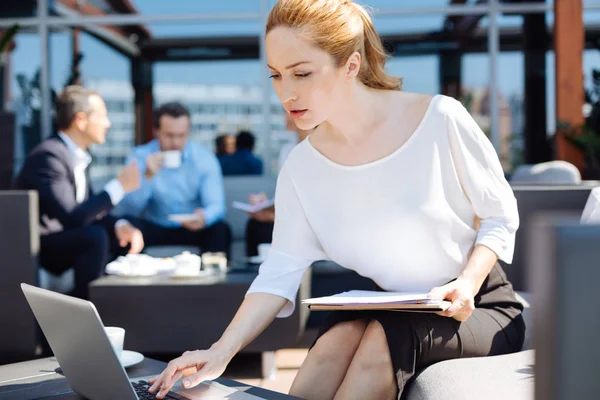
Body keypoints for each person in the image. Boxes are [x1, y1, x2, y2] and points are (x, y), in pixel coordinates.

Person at [147, 1, 525, 399]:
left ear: (351, 65)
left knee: (378, 346)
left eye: (303, 74)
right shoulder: (301, 167)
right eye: (276, 75)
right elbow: (279, 272)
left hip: (478, 305)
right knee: (332, 345)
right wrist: (220, 351)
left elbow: (499, 216)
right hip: (395, 307)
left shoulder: (440, 119)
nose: (286, 93)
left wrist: (466, 283)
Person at [14, 85, 144, 300]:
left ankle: (118, 304)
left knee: (122, 230)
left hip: (66, 237)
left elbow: (89, 211)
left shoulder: (78, 157)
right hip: (40, 247)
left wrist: (121, 226)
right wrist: (119, 186)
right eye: (102, 116)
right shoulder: (48, 156)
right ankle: (87, 310)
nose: (107, 123)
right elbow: (73, 217)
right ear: (81, 120)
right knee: (94, 237)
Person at [115, 102, 231, 258]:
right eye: (169, 135)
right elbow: (129, 209)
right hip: (155, 226)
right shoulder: (140, 157)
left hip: (192, 228)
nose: (176, 143)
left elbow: (217, 205)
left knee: (220, 229)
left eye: (181, 135)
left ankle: (214, 279)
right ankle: (129, 278)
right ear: (156, 131)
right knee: (127, 225)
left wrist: (204, 218)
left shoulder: (203, 158)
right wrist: (147, 176)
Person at [244, 113, 312, 257]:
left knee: (268, 228)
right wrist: (266, 205)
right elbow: (287, 194)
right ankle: (256, 273)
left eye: (290, 111)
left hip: (312, 220)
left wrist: (279, 216)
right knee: (255, 224)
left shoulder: (322, 149)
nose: (285, 117)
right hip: (290, 214)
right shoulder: (287, 150)